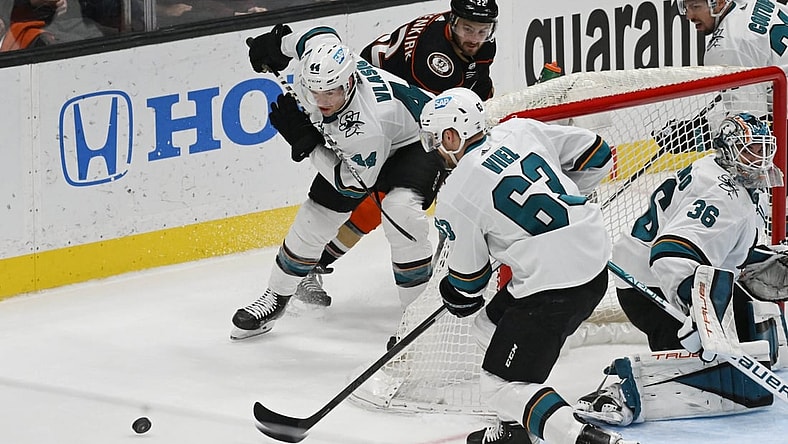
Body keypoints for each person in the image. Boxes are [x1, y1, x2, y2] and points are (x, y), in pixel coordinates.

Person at [420, 87, 635, 444]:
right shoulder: (518, 130)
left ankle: (584, 439)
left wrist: (452, 291)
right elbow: (597, 152)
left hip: (552, 287)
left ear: (451, 135)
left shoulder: (455, 194)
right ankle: (515, 431)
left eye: (435, 140)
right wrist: (564, 203)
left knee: (500, 386)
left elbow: (469, 286)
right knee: (489, 326)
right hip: (593, 261)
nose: (435, 151)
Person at [229, 23, 444, 340]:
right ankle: (276, 296)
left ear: (351, 81)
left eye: (331, 92)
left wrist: (308, 144)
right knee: (315, 216)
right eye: (315, 91)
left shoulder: (366, 126)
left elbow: (353, 185)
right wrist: (277, 45)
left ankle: (419, 319)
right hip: (370, 150)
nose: (321, 100)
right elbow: (317, 34)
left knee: (400, 213)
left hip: (420, 143)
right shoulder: (320, 70)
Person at [575, 113, 786, 426]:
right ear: (728, 150)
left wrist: (766, 257)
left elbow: (721, 245)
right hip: (651, 287)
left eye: (763, 149)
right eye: (750, 150)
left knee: (760, 344)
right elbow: (670, 253)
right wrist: (700, 313)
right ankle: (615, 395)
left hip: (669, 272)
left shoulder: (721, 173)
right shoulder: (723, 194)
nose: (760, 159)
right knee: (712, 374)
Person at [294, 0, 498, 307]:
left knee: (386, 204)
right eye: (468, 28)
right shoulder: (434, 59)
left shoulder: (477, 43)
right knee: (385, 200)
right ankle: (311, 265)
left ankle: (314, 264)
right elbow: (438, 119)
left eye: (483, 30)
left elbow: (476, 87)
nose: (475, 37)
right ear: (452, 21)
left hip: (402, 109)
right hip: (373, 111)